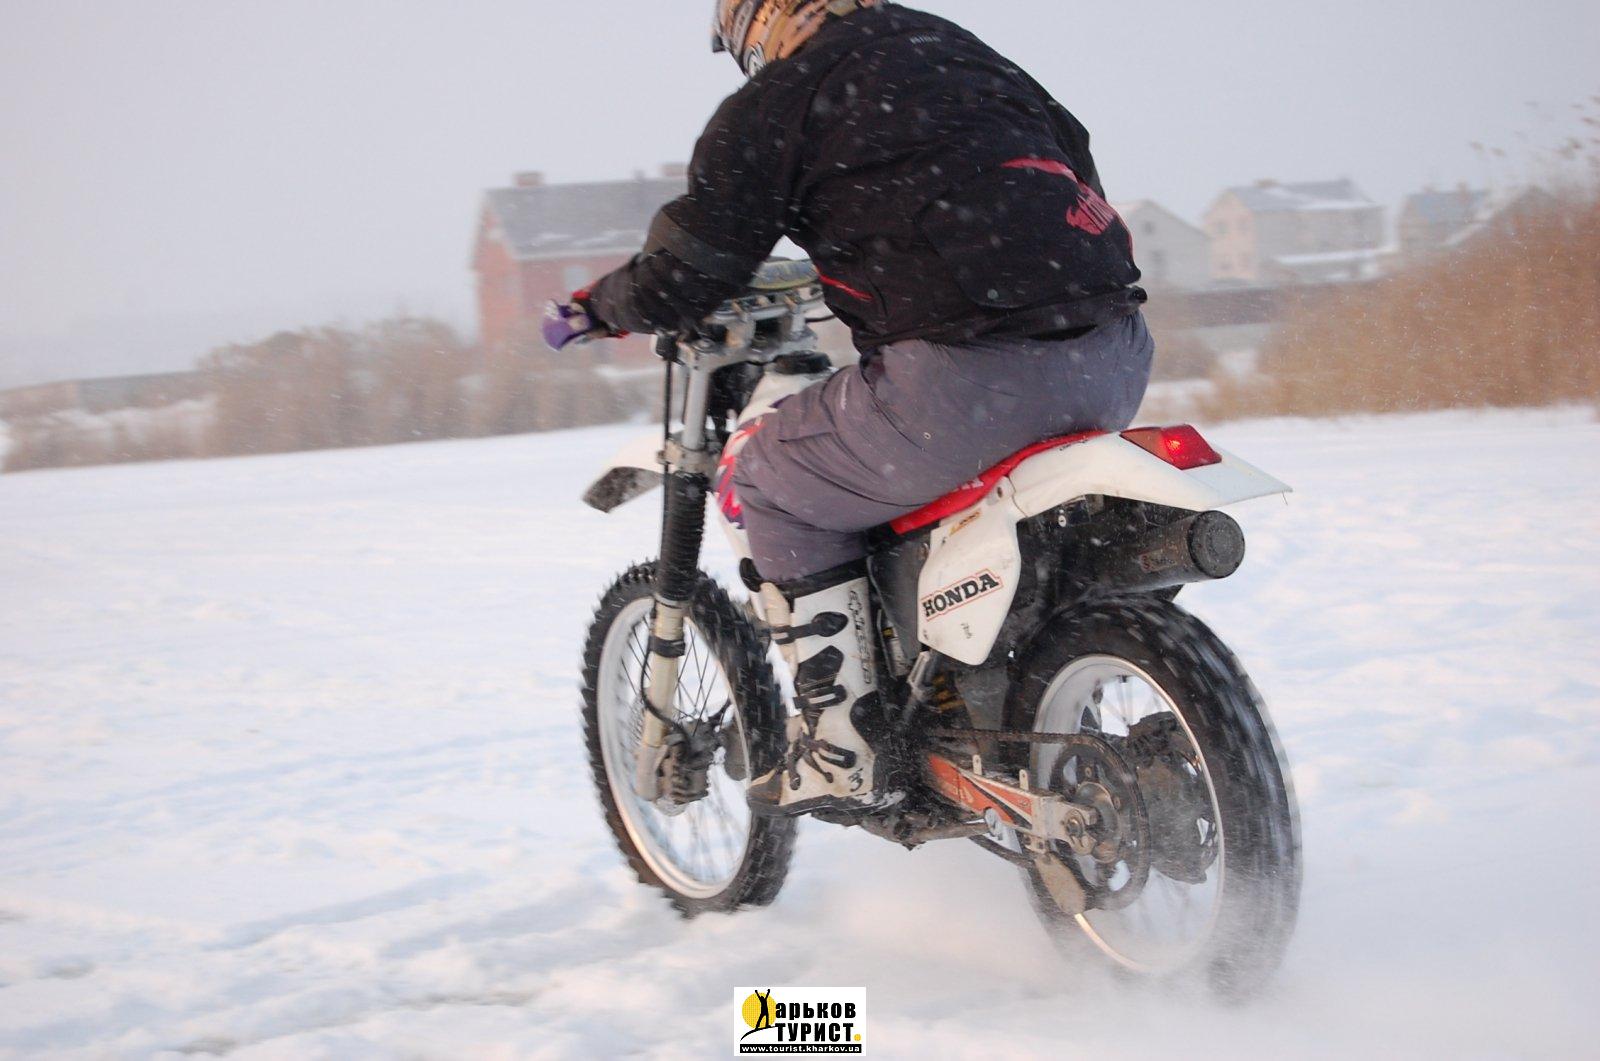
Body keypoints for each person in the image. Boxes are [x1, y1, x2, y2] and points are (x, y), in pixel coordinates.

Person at [545, 1, 1154, 819]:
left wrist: (598, 307)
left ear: (756, 21)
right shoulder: (959, 50)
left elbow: (686, 273)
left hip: (967, 386)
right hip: (1113, 357)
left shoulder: (780, 100)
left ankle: (844, 748)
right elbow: (1070, 166)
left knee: (771, 475)